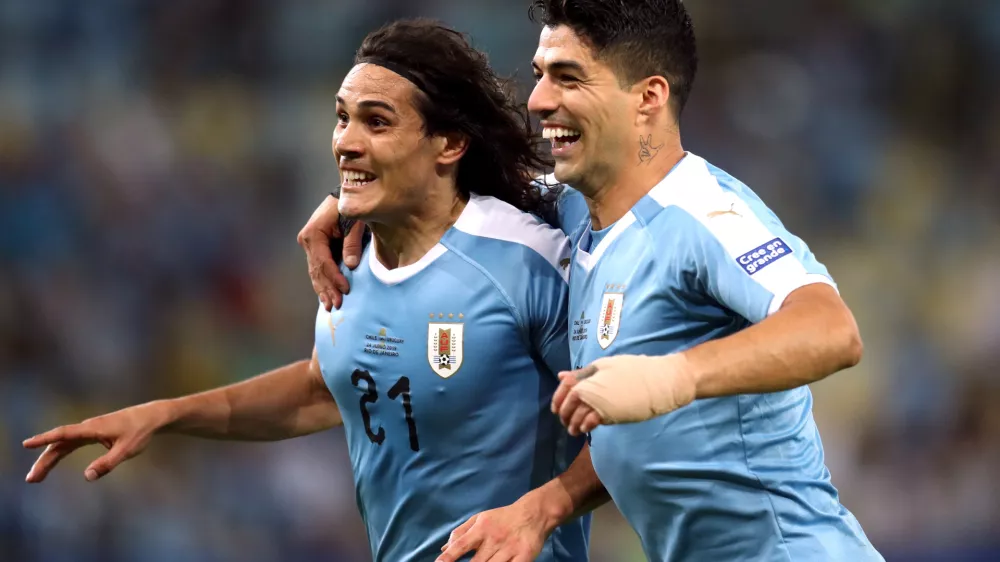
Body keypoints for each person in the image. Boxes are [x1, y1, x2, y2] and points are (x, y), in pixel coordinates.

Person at [300, 2, 885, 562]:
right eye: (540, 75)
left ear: (648, 98)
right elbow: (452, 185)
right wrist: (349, 200)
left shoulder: (702, 213)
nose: (538, 100)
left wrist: (672, 376)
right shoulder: (576, 207)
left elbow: (832, 330)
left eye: (568, 78)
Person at [23, 19, 597, 562]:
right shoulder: (348, 258)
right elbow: (324, 389)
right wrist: (165, 414)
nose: (346, 142)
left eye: (377, 122)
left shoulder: (526, 261)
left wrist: (540, 512)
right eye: (342, 118)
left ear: (448, 143)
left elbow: (628, 426)